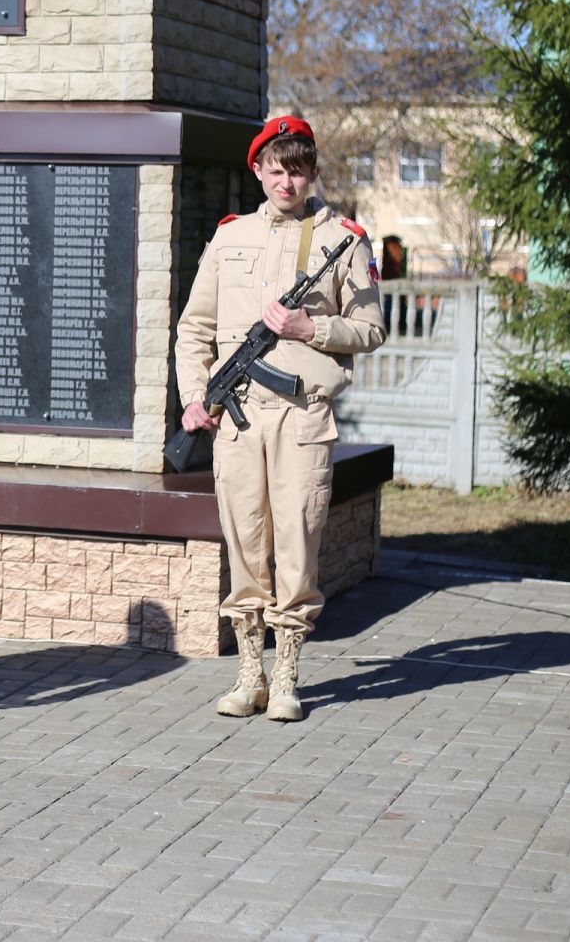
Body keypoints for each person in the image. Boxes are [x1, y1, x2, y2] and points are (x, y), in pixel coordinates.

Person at [173, 116, 385, 723]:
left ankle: (287, 672)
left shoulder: (342, 239)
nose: (285, 180)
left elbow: (371, 328)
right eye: (275, 168)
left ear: (312, 171)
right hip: (238, 419)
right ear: (259, 171)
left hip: (302, 416)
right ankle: (249, 673)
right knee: (244, 539)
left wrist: (309, 328)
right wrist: (195, 395)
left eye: (297, 168)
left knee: (297, 539)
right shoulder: (230, 236)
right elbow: (197, 328)